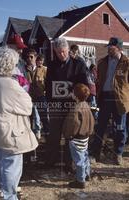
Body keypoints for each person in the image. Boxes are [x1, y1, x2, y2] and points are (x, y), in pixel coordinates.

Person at [0, 46, 38, 200]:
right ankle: (9, 196)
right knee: (11, 170)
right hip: (11, 135)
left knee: (1, 166)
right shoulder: (10, 85)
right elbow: (27, 107)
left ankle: (4, 192)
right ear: (10, 65)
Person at [45, 37, 88, 172]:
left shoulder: (78, 64)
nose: (61, 55)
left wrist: (75, 96)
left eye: (63, 52)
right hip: (56, 106)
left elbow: (84, 85)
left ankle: (70, 164)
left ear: (68, 50)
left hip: (72, 106)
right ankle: (51, 160)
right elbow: (48, 85)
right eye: (58, 52)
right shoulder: (52, 65)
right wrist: (51, 103)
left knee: (71, 135)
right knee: (54, 134)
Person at [91, 37, 129, 165]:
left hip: (120, 99)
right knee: (100, 126)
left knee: (120, 128)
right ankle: (96, 153)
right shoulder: (102, 62)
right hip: (105, 98)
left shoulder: (127, 63)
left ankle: (117, 153)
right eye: (108, 47)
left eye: (111, 48)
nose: (109, 50)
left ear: (118, 48)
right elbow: (99, 80)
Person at [62, 83, 94, 188]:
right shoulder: (86, 106)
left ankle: (80, 181)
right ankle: (86, 174)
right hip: (85, 137)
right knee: (85, 156)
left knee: (79, 160)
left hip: (76, 139)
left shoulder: (76, 109)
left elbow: (73, 124)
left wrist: (68, 135)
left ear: (75, 95)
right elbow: (92, 121)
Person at [35, 54, 49, 135]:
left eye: (42, 60)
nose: (40, 62)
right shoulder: (33, 69)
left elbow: (47, 81)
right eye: (39, 60)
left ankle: (47, 130)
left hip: (42, 94)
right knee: (35, 115)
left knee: (43, 113)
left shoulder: (45, 69)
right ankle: (37, 131)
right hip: (33, 94)